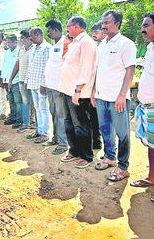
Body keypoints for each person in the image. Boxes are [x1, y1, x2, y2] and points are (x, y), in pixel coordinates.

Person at [92, 10, 136, 181]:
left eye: (107, 23)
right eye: (102, 22)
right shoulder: (102, 45)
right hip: (102, 96)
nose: (103, 26)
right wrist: (95, 91)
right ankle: (110, 157)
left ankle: (123, 167)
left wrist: (122, 95)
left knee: (122, 133)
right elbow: (99, 71)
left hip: (117, 98)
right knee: (105, 130)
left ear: (117, 24)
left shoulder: (126, 44)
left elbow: (130, 70)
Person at [58, 16, 96, 168]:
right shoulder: (73, 43)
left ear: (77, 26)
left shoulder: (86, 42)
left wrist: (78, 90)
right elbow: (65, 62)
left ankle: (86, 156)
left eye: (68, 26)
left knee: (81, 124)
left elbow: (86, 69)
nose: (66, 29)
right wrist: (66, 46)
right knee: (69, 123)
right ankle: (73, 151)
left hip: (78, 92)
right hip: (67, 90)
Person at [130, 12, 154, 201]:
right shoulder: (150, 47)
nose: (142, 29)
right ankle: (152, 176)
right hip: (147, 105)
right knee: (151, 144)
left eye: (146, 25)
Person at [41, 19, 68, 155]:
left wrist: (63, 86)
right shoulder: (54, 46)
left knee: (61, 115)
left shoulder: (65, 44)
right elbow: (51, 66)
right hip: (50, 86)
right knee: (54, 114)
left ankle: (63, 144)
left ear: (56, 30)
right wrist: (45, 84)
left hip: (59, 87)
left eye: (49, 31)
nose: (48, 34)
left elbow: (66, 67)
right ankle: (56, 138)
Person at [25, 27, 51, 143]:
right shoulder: (33, 48)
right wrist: (26, 81)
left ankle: (45, 133)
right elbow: (30, 66)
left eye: (31, 36)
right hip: (32, 83)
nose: (30, 38)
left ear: (38, 35)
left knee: (43, 109)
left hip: (41, 85)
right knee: (37, 109)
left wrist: (44, 84)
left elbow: (48, 68)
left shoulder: (47, 48)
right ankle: (39, 131)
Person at [8, 29, 33, 133]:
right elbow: (17, 65)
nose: (20, 40)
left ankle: (34, 122)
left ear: (28, 38)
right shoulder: (21, 50)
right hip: (22, 80)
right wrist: (11, 79)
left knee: (36, 104)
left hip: (33, 81)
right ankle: (26, 123)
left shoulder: (34, 49)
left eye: (22, 38)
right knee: (25, 102)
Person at [0, 35, 23, 128]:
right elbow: (4, 65)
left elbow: (17, 67)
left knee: (18, 101)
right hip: (6, 80)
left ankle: (19, 120)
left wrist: (11, 80)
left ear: (15, 42)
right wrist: (2, 78)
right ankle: (13, 117)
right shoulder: (7, 52)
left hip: (15, 81)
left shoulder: (19, 51)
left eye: (9, 42)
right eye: (7, 42)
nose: (7, 44)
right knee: (11, 101)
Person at [90, 20, 105, 151]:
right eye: (93, 32)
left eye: (96, 32)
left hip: (104, 89)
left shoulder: (105, 47)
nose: (94, 34)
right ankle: (96, 142)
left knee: (105, 121)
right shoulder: (94, 46)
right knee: (94, 118)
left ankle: (109, 149)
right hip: (92, 87)